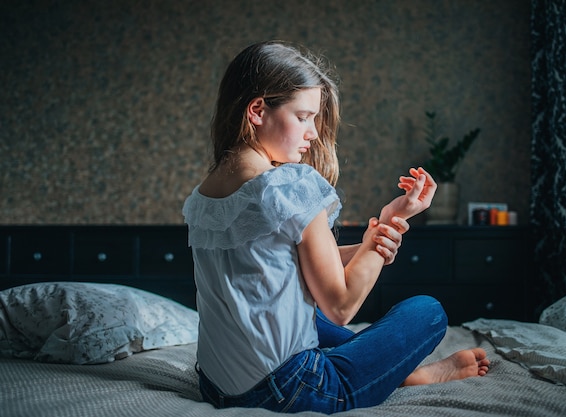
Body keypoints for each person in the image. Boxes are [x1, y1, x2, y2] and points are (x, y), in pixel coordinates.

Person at [182, 40, 489, 414]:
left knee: (303, 310)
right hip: (293, 390)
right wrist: (388, 230)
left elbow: (280, 261)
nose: (312, 133)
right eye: (303, 116)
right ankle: (406, 374)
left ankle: (387, 370)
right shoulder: (291, 185)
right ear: (258, 110)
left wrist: (372, 240)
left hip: (215, 386)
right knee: (428, 311)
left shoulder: (203, 196)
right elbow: (341, 306)